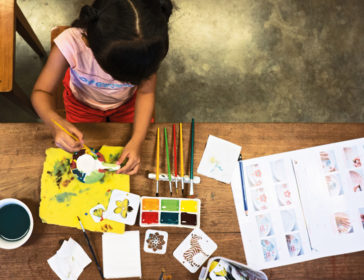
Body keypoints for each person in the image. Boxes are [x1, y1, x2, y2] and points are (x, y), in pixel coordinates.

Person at [31, 0, 173, 175]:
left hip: (127, 104)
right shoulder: (72, 43)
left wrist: (136, 141)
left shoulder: (145, 51)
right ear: (91, 43)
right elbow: (41, 92)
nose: (116, 80)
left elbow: (145, 92)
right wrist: (54, 122)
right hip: (81, 104)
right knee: (81, 148)